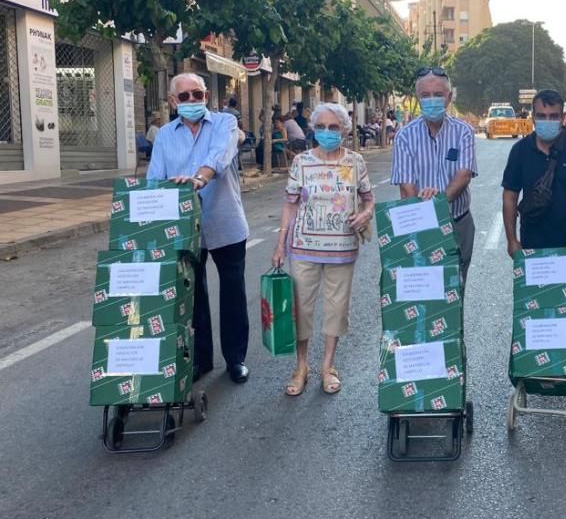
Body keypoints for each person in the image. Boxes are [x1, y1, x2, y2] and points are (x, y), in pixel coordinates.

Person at [148, 73, 250, 384]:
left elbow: (218, 156)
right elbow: (155, 178)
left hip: (225, 221)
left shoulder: (224, 124)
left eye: (198, 94)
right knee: (193, 296)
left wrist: (199, 178)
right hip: (183, 226)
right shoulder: (164, 135)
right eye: (184, 97)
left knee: (233, 292)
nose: (192, 101)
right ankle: (200, 359)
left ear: (206, 96)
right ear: (172, 101)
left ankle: (236, 359)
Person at [271, 103, 374, 396]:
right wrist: (280, 245)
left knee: (337, 309)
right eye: (321, 127)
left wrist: (365, 214)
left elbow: (369, 199)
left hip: (342, 248)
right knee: (300, 310)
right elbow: (290, 203)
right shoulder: (302, 162)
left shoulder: (355, 162)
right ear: (313, 130)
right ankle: (301, 366)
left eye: (333, 127)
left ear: (343, 129)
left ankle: (328, 366)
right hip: (303, 248)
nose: (327, 133)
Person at [391, 66, 478, 283]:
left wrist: (437, 202)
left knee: (455, 289)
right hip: (420, 224)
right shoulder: (404, 136)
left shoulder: (463, 132)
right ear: (417, 99)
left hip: (458, 222)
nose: (432, 100)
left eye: (438, 95)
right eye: (425, 95)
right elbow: (406, 186)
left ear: (449, 97)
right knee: (425, 290)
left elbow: (464, 175)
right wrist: (424, 211)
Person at [502, 89, 566, 254]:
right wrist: (511, 240)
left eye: (553, 116)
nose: (547, 121)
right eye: (541, 116)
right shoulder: (520, 150)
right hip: (531, 246)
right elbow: (509, 196)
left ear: (563, 118)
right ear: (533, 118)